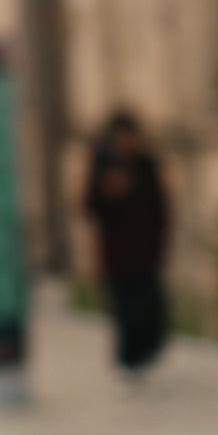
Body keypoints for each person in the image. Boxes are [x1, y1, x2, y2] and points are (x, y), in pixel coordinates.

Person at [82, 110, 171, 377]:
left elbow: (160, 207)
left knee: (149, 308)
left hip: (146, 253)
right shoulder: (104, 166)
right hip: (117, 255)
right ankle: (127, 361)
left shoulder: (145, 165)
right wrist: (110, 192)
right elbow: (89, 204)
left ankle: (146, 354)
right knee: (125, 310)